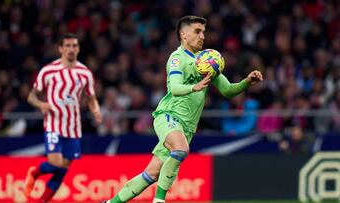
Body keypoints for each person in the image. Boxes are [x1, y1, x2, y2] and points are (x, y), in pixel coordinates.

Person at [103, 15, 263, 203]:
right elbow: (175, 88)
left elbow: (228, 90)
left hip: (186, 127)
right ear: (183, 34)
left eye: (203, 31)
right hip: (169, 117)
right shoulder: (177, 59)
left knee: (150, 175)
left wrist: (246, 82)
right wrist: (193, 87)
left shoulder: (207, 62)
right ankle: (159, 200)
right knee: (180, 150)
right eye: (197, 31)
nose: (202, 36)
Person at [23, 33, 102, 203]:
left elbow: (91, 97)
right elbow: (31, 97)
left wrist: (96, 110)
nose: (71, 49)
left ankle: (42, 200)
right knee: (56, 164)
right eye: (67, 46)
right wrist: (41, 104)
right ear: (60, 49)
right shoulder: (48, 71)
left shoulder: (85, 73)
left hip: (73, 127)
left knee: (63, 169)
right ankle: (35, 172)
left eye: (74, 46)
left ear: (78, 49)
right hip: (53, 124)